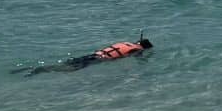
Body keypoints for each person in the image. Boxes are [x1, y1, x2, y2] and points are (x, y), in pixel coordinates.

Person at [15, 35, 153, 77]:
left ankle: (27, 69)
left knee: (64, 65)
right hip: (97, 60)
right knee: (66, 69)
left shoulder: (126, 43)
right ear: (144, 47)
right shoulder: (137, 50)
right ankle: (37, 70)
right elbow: (139, 59)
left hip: (92, 55)